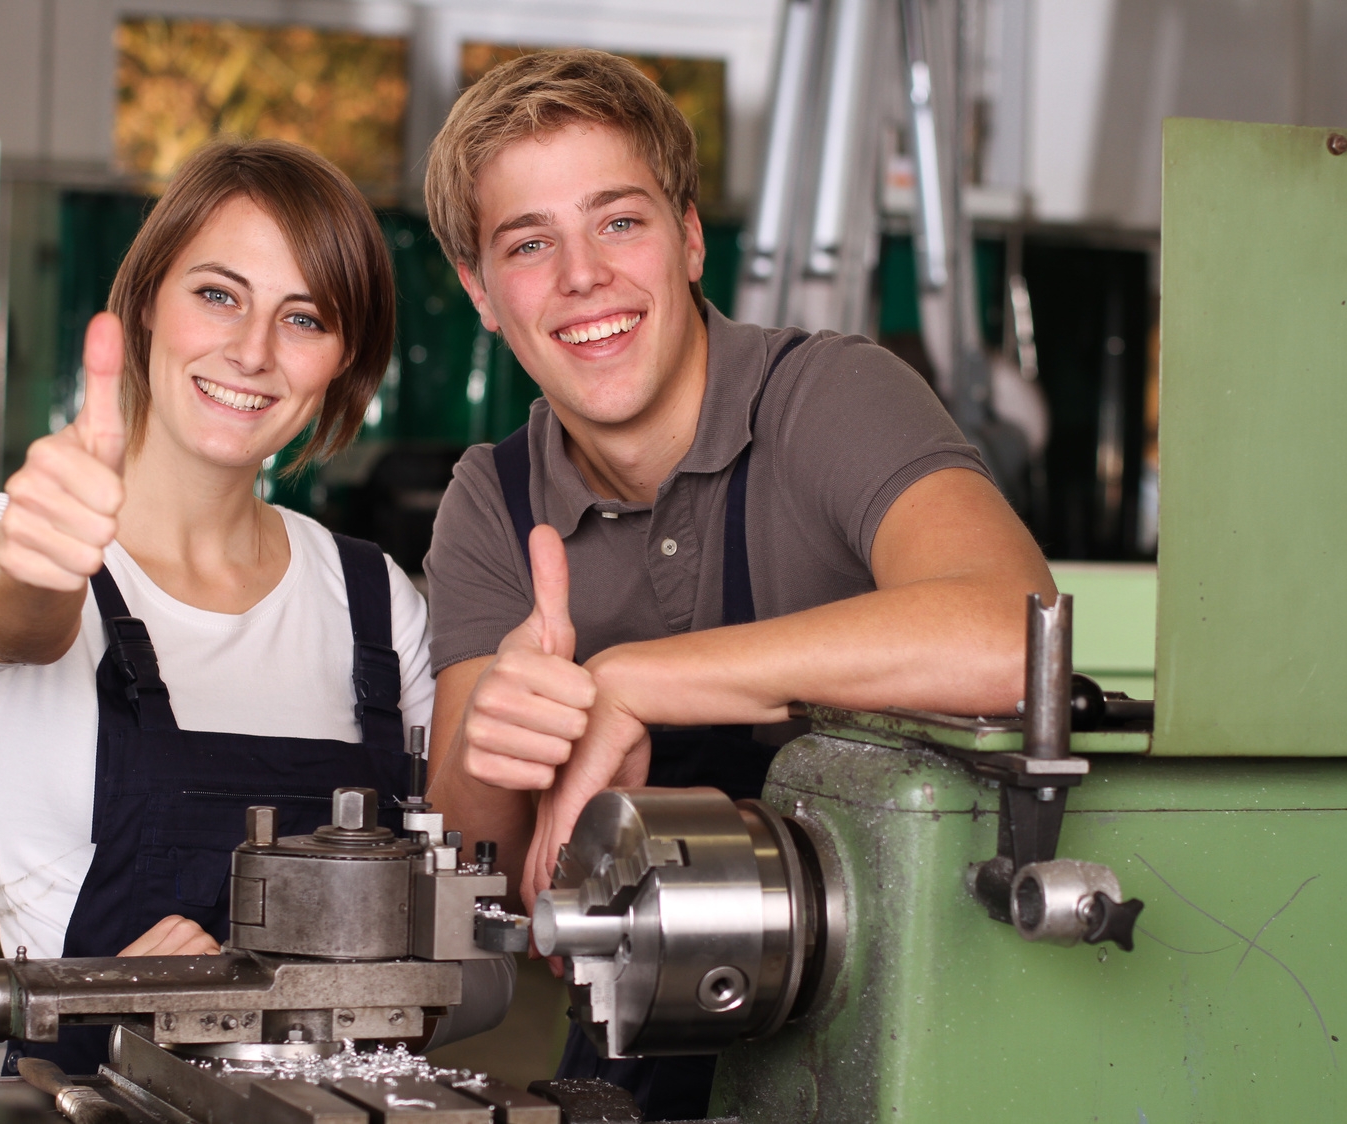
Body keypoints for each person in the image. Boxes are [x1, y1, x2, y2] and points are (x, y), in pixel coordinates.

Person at [419, 50, 1055, 1117]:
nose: (582, 275)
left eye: (619, 221)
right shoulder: (492, 500)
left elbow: (1014, 635)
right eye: (530, 244)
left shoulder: (829, 397)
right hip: (634, 1052)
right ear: (483, 294)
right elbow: (470, 896)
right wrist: (498, 740)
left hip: (904, 1035)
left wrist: (630, 683)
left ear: (690, 237)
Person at [0, 138, 431, 1075]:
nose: (252, 351)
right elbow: (11, 615)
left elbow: (440, 946)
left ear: (344, 366)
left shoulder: (375, 601)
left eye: (305, 318)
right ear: (147, 298)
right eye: (219, 294)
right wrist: (39, 563)